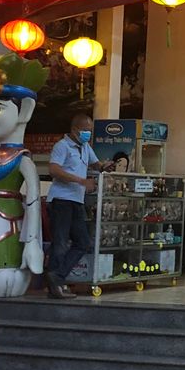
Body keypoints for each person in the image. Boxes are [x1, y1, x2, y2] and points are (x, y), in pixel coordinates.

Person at [45, 113, 113, 298]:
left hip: (77, 201)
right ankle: (55, 285)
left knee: (83, 242)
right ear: (75, 130)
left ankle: (56, 277)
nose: (88, 134)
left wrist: (104, 166)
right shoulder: (62, 146)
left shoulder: (85, 147)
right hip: (61, 200)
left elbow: (95, 163)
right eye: (85, 130)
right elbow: (54, 170)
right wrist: (82, 181)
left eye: (90, 131)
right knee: (60, 243)